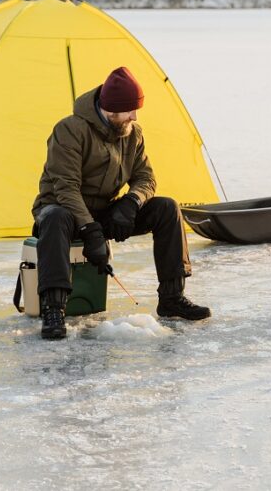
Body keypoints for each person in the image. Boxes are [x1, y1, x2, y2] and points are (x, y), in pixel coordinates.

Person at [31, 66, 211, 339]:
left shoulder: (132, 133)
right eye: (130, 110)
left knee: (166, 208)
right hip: (62, 209)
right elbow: (65, 188)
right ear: (111, 109)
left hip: (103, 210)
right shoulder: (69, 130)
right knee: (55, 217)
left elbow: (146, 178)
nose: (135, 116)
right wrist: (90, 229)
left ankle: (172, 298)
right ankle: (54, 309)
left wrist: (131, 203)